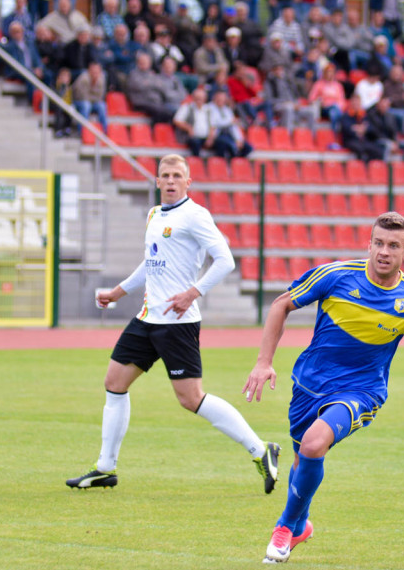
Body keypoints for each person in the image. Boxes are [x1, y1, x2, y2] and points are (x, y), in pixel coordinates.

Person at [243, 211, 404, 563]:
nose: (384, 252)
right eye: (378, 243)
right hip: (309, 383)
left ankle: (283, 527)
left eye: (394, 246)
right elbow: (281, 304)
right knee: (303, 457)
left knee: (314, 444)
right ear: (368, 244)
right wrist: (263, 361)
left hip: (362, 391)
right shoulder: (336, 275)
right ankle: (300, 527)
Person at [67, 154, 282, 494]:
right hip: (147, 317)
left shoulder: (195, 215)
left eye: (177, 176)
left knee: (190, 398)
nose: (170, 181)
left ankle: (261, 450)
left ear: (187, 182)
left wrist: (192, 293)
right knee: (114, 382)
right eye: (165, 175)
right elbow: (150, 262)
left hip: (177, 323)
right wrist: (117, 292)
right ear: (157, 181)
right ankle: (105, 468)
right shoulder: (154, 214)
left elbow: (224, 260)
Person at [72, 60, 109, 133]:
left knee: (102, 106)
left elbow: (100, 97)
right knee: (86, 105)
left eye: (97, 71)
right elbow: (82, 97)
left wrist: (92, 97)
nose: (95, 73)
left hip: (92, 102)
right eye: (94, 71)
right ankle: (82, 132)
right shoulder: (83, 78)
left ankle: (105, 132)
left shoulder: (101, 79)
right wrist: (93, 97)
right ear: (89, 70)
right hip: (78, 102)